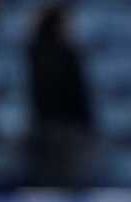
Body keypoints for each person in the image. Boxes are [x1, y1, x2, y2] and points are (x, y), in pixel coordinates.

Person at [26, 3, 95, 189]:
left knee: (68, 177)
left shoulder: (62, 51)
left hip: (66, 122)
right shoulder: (41, 51)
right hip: (54, 122)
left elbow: (79, 90)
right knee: (53, 177)